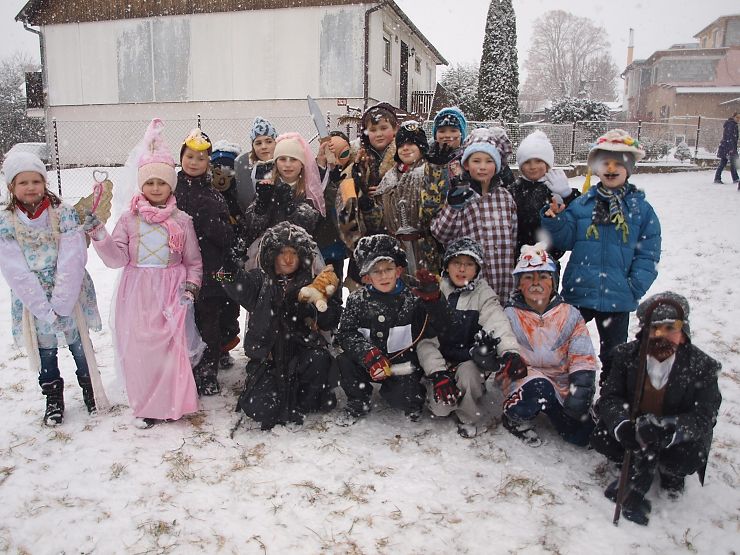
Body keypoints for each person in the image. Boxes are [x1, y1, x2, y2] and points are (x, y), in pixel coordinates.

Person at [85, 118, 203, 428]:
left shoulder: (182, 220)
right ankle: (146, 405)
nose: (155, 188)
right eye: (149, 183)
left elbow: (193, 261)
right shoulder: (129, 219)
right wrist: (99, 235)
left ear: (170, 185)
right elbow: (117, 259)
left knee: (170, 349)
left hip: (171, 291)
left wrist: (190, 287)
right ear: (141, 185)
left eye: (161, 182)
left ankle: (172, 403)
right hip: (137, 292)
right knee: (141, 349)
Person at [590, 292, 722, 526]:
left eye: (671, 328)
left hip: (674, 434)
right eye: (655, 328)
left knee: (688, 457)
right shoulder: (625, 355)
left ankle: (671, 473)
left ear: (683, 331)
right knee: (603, 437)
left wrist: (669, 430)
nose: (662, 335)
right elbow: (610, 397)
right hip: (636, 427)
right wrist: (623, 426)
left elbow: (705, 416)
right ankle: (630, 459)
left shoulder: (703, 366)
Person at [541, 129, 661, 385]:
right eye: (605, 162)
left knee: (614, 356)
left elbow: (648, 253)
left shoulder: (640, 210)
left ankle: (611, 396)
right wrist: (555, 219)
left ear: (629, 169)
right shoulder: (583, 204)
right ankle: (567, 390)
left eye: (619, 163)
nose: (611, 168)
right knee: (565, 346)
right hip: (580, 291)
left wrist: (633, 286)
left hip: (618, 297)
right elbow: (565, 240)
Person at [0, 151, 103, 425]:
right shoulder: (6, 221)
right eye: (23, 182)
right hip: (33, 296)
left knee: (79, 344)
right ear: (11, 186)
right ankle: (53, 396)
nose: (30, 187)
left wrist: (62, 300)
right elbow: (14, 268)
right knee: (45, 349)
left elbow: (73, 255)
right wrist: (42, 306)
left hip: (69, 290)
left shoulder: (62, 213)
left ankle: (90, 389)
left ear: (44, 183)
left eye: (36, 181)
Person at [223, 221, 340, 431]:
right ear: (272, 254)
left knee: (318, 368)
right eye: (282, 252)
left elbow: (330, 320)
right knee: (260, 408)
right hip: (268, 357)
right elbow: (232, 285)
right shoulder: (259, 280)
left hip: (302, 352)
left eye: (293, 253)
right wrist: (230, 267)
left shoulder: (312, 284)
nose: (288, 259)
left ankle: (302, 400)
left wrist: (322, 305)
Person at [335, 234, 444, 422]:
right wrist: (368, 354)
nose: (384, 276)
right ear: (367, 277)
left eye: (388, 269)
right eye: (376, 271)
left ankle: (411, 397)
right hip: (368, 362)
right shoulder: (356, 300)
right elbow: (346, 333)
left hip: (400, 366)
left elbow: (434, 327)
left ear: (398, 271)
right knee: (344, 361)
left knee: (403, 399)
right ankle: (358, 400)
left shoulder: (413, 299)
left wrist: (434, 302)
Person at [501, 243, 598, 447]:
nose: (536, 283)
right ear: (519, 284)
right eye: (528, 277)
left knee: (583, 436)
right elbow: (499, 346)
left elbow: (582, 357)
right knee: (539, 389)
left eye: (543, 276)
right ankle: (515, 417)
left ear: (553, 282)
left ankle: (561, 411)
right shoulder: (509, 315)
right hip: (525, 376)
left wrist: (580, 390)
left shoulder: (570, 314)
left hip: (561, 380)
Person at [430, 237, 522, 438]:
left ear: (477, 269)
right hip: (440, 360)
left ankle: (467, 415)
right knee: (440, 409)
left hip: (468, 359)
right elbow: (426, 339)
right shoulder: (435, 291)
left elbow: (497, 322)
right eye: (457, 262)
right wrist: (437, 373)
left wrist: (509, 352)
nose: (462, 269)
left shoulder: (483, 294)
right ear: (447, 266)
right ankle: (444, 392)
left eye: (469, 264)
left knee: (469, 375)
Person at [174, 128, 234, 396]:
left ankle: (208, 371)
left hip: (211, 271)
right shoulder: (169, 190)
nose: (194, 162)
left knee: (209, 320)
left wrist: (210, 222)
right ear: (181, 157)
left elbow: (228, 236)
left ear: (208, 161)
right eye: (189, 156)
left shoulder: (215, 194)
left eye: (201, 158)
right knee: (179, 321)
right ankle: (182, 369)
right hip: (176, 270)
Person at [431, 127, 518, 304]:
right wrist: (453, 207)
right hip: (470, 286)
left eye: (489, 161)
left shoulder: (505, 197)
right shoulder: (461, 195)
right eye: (476, 161)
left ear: (497, 165)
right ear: (466, 165)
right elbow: (440, 234)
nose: (482, 167)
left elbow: (514, 238)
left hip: (503, 281)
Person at [336, 103, 398, 283]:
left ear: (394, 129)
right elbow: (344, 196)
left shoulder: (402, 156)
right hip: (363, 236)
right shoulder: (356, 158)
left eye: (384, 128)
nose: (378, 134)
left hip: (393, 234)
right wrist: (357, 181)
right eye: (373, 129)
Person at [374, 120, 443, 273]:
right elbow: (379, 218)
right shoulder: (388, 179)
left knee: (427, 284)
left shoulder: (430, 173)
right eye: (401, 145)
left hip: (425, 250)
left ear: (421, 147)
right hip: (396, 251)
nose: (405, 148)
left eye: (411, 143)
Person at [243, 132, 323, 249]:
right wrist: (261, 205)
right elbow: (253, 227)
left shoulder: (309, 189)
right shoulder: (269, 186)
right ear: (276, 162)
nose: (288, 164)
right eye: (282, 159)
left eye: (293, 159)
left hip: (299, 251)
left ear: (302, 164)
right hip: (269, 249)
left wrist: (290, 206)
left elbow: (309, 224)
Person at [508, 130, 579, 258]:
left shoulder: (555, 187)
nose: (533, 166)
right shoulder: (513, 190)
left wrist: (568, 194)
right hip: (519, 257)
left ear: (547, 164)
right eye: (527, 162)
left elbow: (579, 212)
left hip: (549, 257)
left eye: (538, 161)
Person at [210, 140, 246, 368]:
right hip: (208, 262)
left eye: (228, 172)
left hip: (230, 263)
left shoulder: (237, 198)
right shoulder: (207, 196)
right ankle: (211, 348)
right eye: (217, 171)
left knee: (229, 304)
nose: (222, 177)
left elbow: (244, 225)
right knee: (209, 307)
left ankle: (224, 346)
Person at [713, 111, 739, 186]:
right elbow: (729, 137)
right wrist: (731, 148)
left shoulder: (733, 124)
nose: (738, 119)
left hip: (727, 147)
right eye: (737, 117)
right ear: (733, 117)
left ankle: (718, 178)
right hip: (728, 148)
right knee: (730, 163)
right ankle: (735, 179)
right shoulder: (731, 124)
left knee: (724, 163)